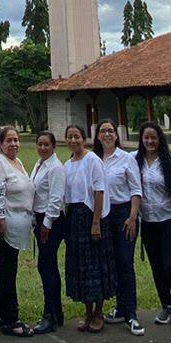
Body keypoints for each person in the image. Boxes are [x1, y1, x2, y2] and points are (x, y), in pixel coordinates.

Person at [135, 122, 171, 331]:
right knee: (157, 267)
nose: (149, 141)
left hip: (170, 220)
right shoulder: (135, 161)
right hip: (148, 222)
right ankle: (166, 305)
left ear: (160, 140)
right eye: (146, 138)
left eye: (154, 138)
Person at [93, 119, 144, 335]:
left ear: (116, 135)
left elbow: (136, 189)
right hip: (102, 215)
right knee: (111, 263)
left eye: (110, 131)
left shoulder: (126, 158)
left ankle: (131, 314)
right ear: (97, 136)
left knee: (125, 262)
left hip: (124, 213)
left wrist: (132, 217)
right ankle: (121, 307)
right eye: (103, 131)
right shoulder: (93, 160)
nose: (106, 134)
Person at [62, 123, 113, 331]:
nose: (73, 141)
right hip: (74, 217)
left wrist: (96, 222)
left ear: (84, 139)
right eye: (70, 137)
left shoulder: (92, 160)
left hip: (91, 215)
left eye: (77, 136)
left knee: (95, 264)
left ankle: (99, 312)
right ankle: (88, 311)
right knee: (81, 266)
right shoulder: (68, 164)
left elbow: (99, 191)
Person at [0, 125, 35, 335]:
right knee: (7, 269)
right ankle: (10, 318)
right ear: (1, 143)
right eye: (9, 141)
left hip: (18, 222)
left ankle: (1, 310)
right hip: (3, 225)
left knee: (10, 268)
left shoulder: (17, 162)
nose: (14, 144)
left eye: (16, 140)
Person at [30, 130, 66, 334]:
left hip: (50, 221)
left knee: (46, 267)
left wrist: (46, 225)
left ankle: (50, 314)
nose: (43, 148)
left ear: (54, 147)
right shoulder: (39, 164)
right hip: (40, 218)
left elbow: (55, 198)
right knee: (48, 266)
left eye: (46, 145)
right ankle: (56, 312)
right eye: (40, 144)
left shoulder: (55, 168)